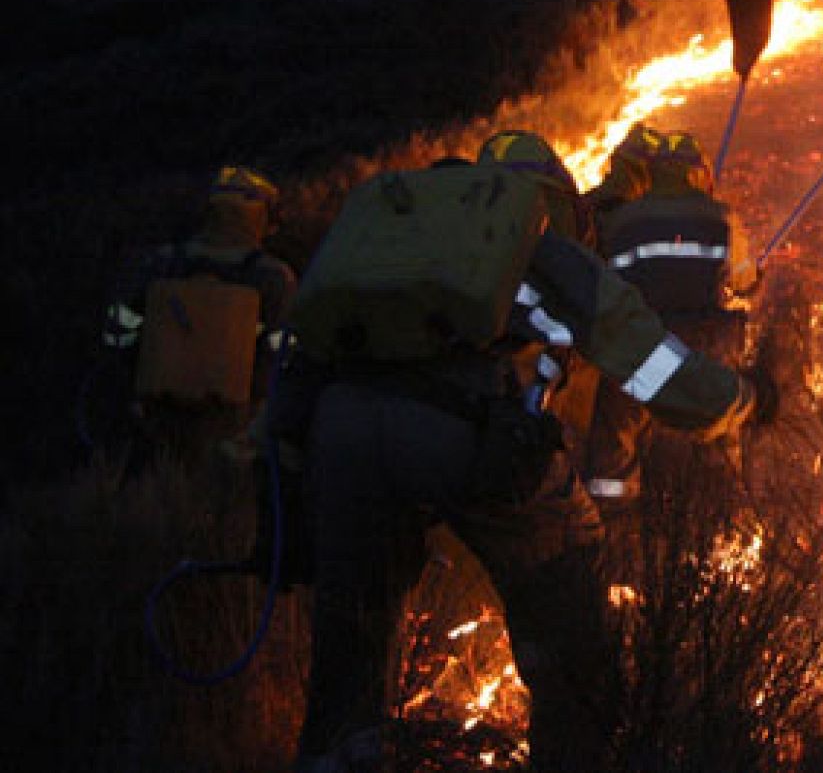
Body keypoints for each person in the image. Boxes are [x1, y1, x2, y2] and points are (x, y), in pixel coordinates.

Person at [268, 130, 776, 772]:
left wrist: (282, 483)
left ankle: (338, 754)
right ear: (557, 199)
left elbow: (296, 356)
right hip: (464, 428)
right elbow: (650, 368)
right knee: (570, 605)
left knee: (349, 652)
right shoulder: (537, 242)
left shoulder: (395, 234)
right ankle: (573, 748)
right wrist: (745, 398)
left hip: (337, 435)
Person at [578, 127, 759, 584]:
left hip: (644, 348)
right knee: (720, 435)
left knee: (614, 443)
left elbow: (607, 282)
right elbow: (743, 281)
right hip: (705, 348)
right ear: (700, 173)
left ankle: (610, 549)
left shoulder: (624, 221)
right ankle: (727, 549)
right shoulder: (720, 218)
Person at [98, 164, 297, 468]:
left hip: (156, 414)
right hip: (233, 422)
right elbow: (282, 355)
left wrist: (131, 389)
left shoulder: (160, 263)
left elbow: (117, 334)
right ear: (263, 218)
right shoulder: (273, 278)